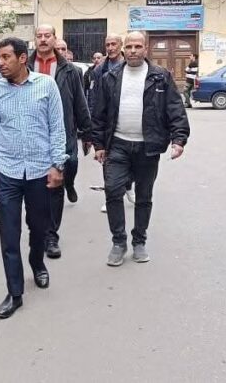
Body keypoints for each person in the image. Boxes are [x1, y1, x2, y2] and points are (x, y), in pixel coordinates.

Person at [0, 37, 67, 319]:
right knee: (9, 234)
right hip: (7, 171)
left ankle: (37, 262)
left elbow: (57, 128)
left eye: (6, 57)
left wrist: (57, 165)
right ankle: (15, 292)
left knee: (39, 227)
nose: (0, 63)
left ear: (21, 58)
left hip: (40, 170)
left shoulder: (46, 85)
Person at [91, 31, 190, 267]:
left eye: (138, 46)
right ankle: (118, 242)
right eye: (129, 47)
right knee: (113, 191)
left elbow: (175, 109)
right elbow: (99, 113)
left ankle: (139, 241)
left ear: (146, 49)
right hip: (118, 145)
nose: (133, 51)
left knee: (144, 197)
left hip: (148, 147)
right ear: (123, 49)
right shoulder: (111, 76)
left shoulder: (160, 77)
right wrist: (99, 144)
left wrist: (179, 139)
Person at [31, 25, 91, 259]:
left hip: (63, 132)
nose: (43, 39)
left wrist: (88, 133)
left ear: (55, 39)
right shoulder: (25, 66)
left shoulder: (70, 70)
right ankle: (38, 229)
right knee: (36, 186)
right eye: (39, 36)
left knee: (56, 184)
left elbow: (79, 102)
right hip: (32, 135)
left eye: (47, 36)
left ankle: (51, 236)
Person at [90, 34, 135, 212]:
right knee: (108, 163)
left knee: (130, 162)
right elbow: (94, 99)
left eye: (113, 44)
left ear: (121, 45)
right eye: (107, 45)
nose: (110, 48)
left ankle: (128, 187)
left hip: (128, 122)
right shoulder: (99, 70)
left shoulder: (131, 65)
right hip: (108, 125)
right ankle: (110, 198)